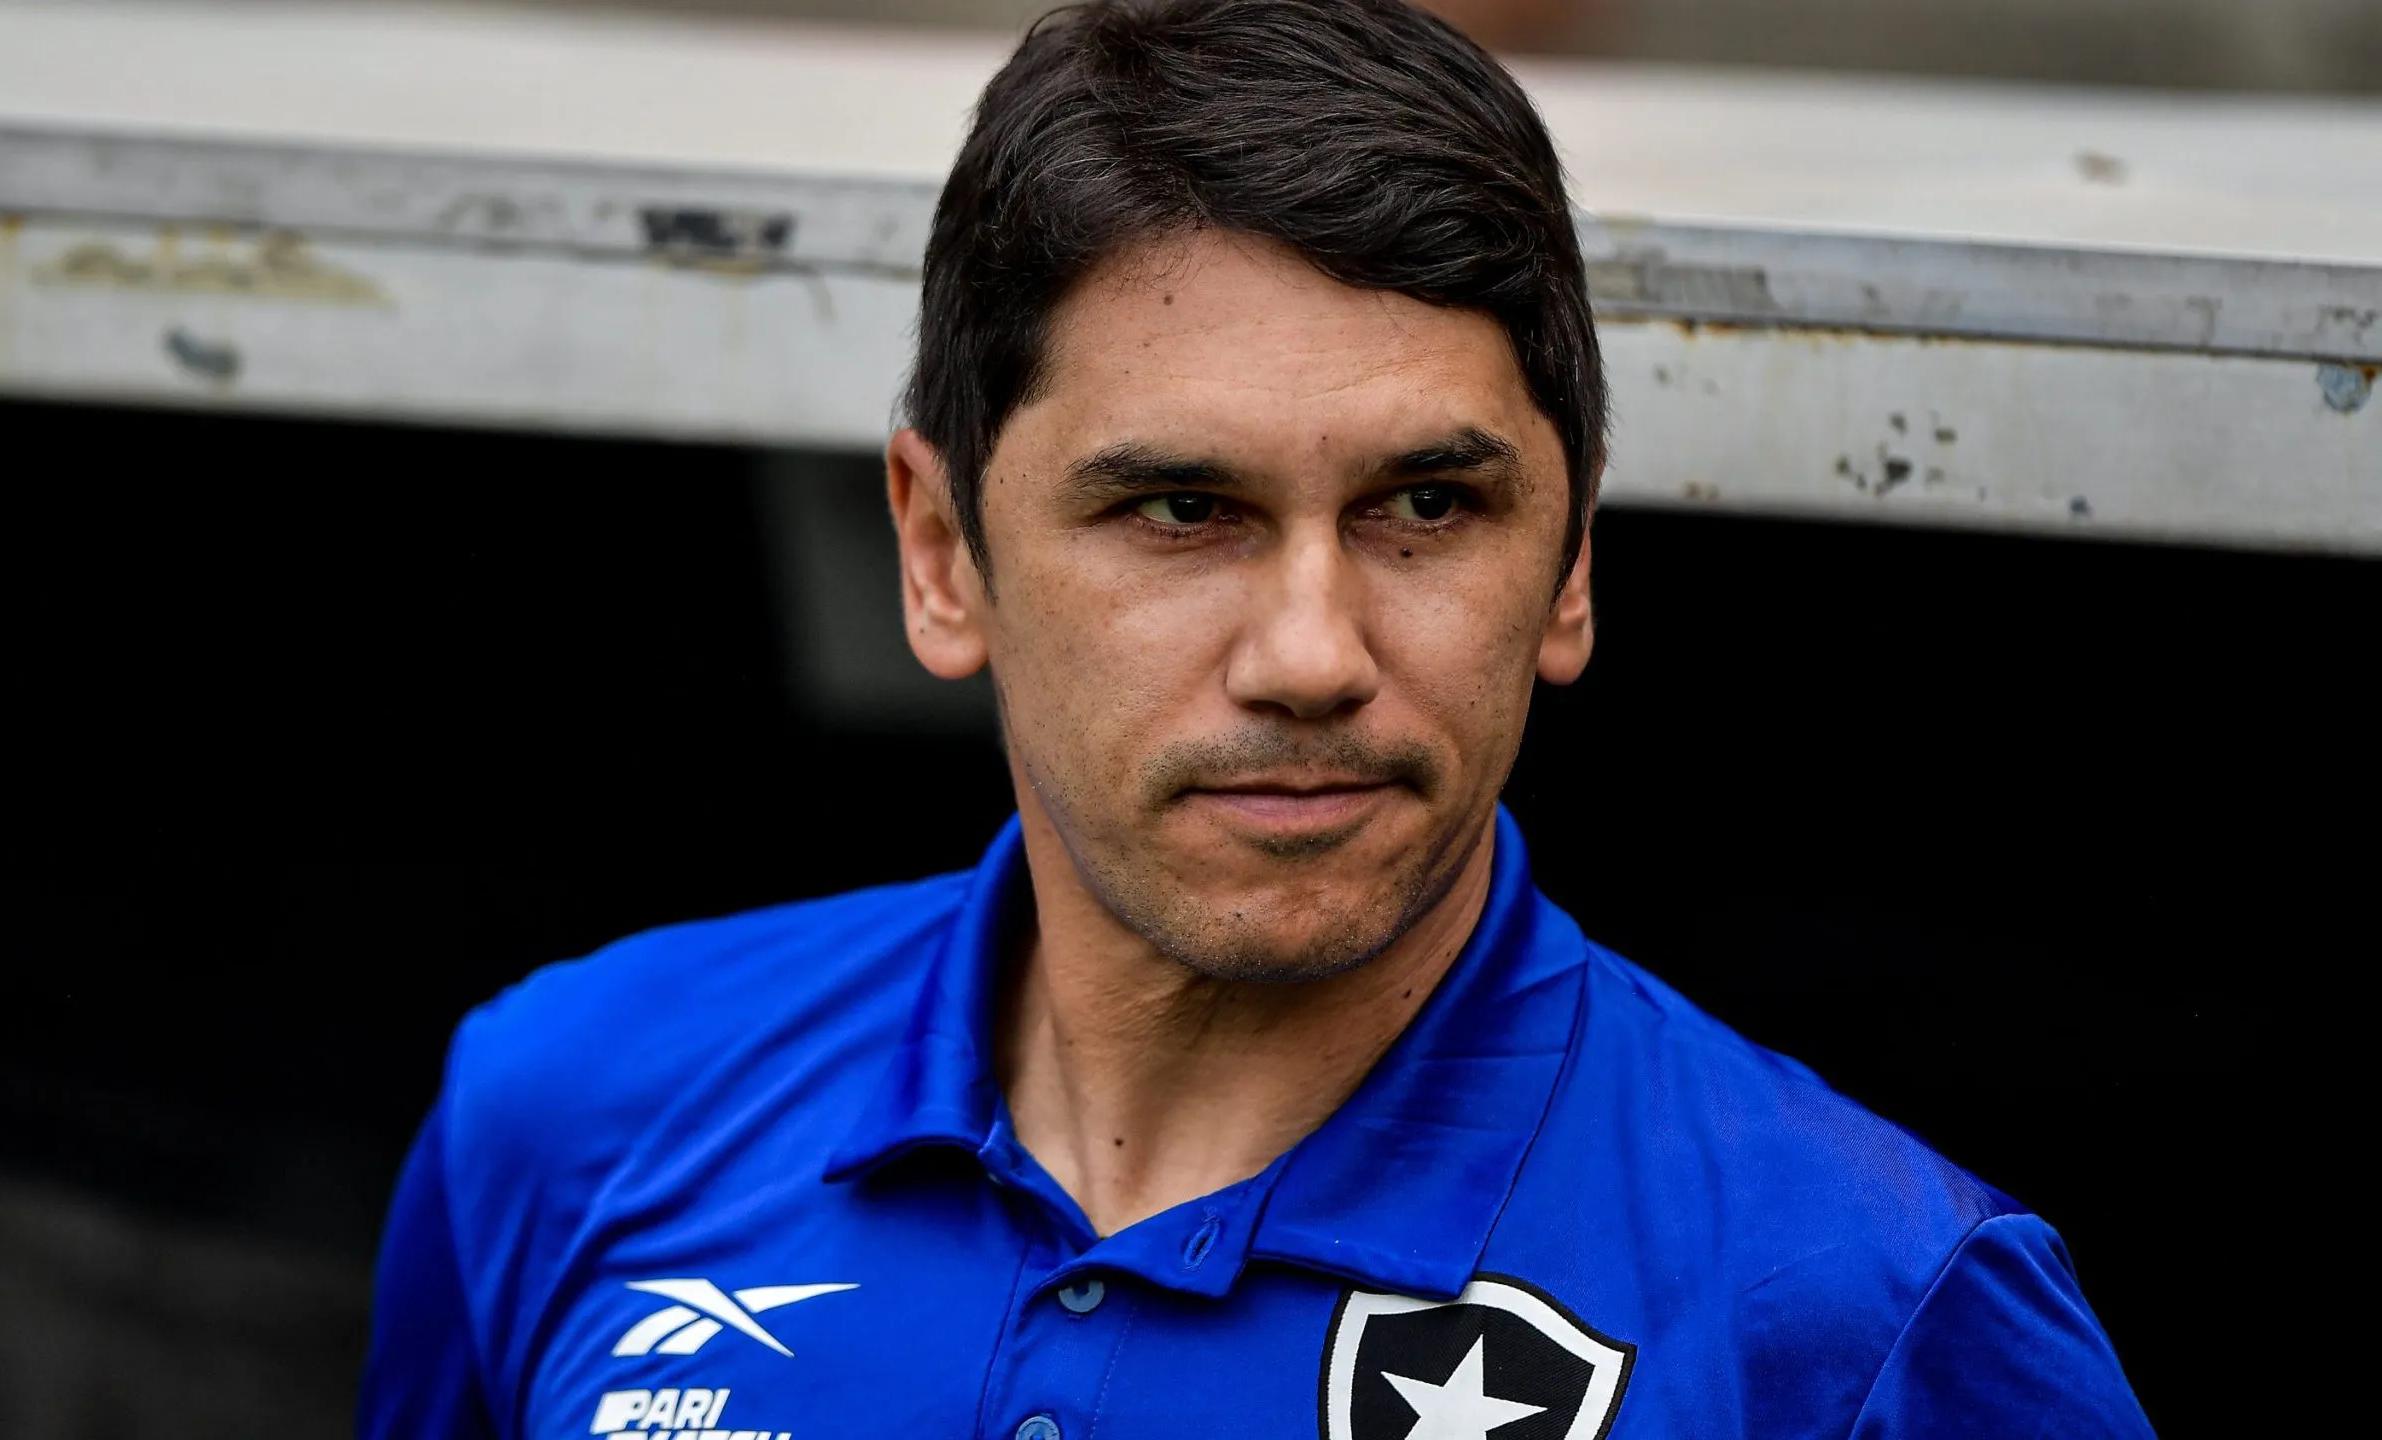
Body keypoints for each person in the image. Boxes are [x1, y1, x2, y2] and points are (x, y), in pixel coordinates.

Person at [360, 2, 2151, 1436]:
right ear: (941, 554)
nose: (1311, 654)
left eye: (1427, 506)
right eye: (1180, 510)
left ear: (1572, 564)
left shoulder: (1866, 1312)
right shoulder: (573, 1111)